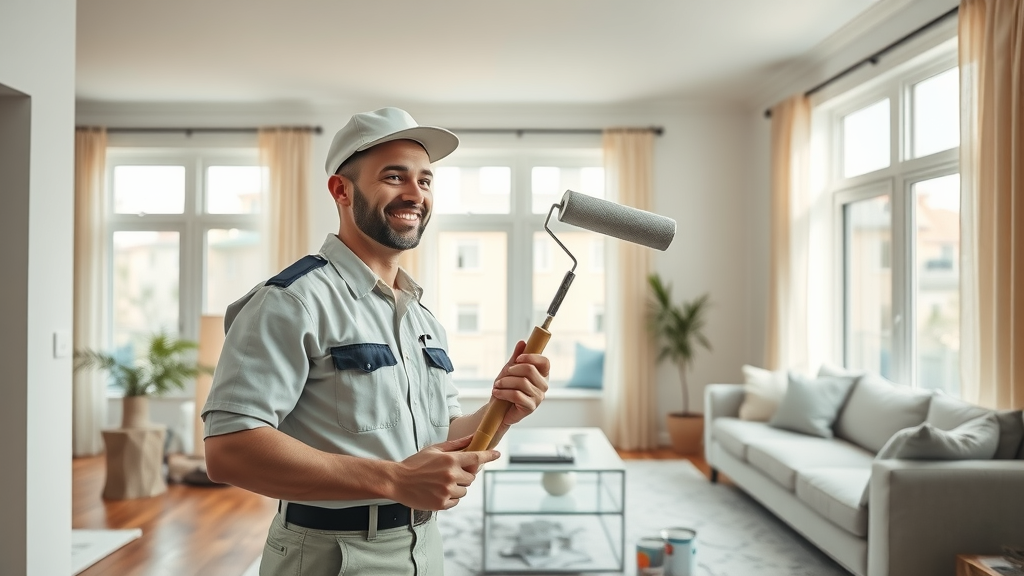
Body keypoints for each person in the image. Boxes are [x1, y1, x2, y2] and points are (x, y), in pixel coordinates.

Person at [202, 107, 550, 576]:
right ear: (341, 190)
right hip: (330, 555)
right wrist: (393, 480)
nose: (415, 193)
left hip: (423, 549)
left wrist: (500, 411)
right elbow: (228, 450)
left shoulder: (422, 319)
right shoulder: (291, 301)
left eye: (426, 181)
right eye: (394, 176)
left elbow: (439, 441)